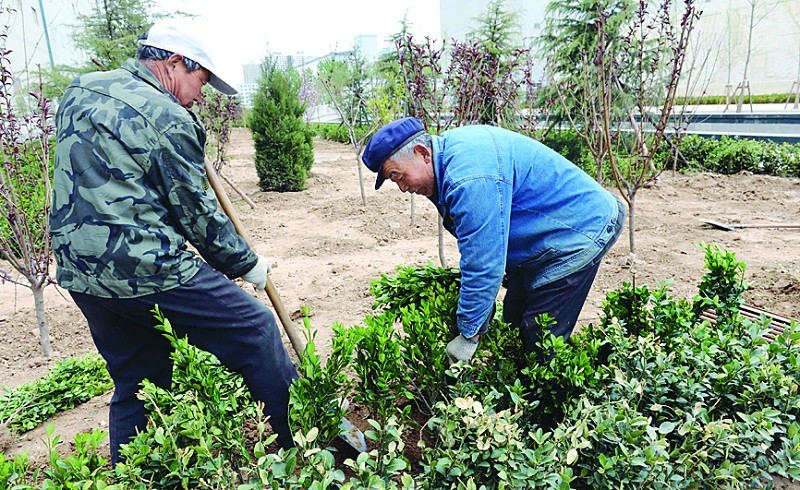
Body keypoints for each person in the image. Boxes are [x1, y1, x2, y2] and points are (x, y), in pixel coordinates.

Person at [50, 19, 297, 462]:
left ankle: (131, 476)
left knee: (138, 378)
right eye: (201, 81)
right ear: (176, 62)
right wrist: (246, 264)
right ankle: (306, 440)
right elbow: (197, 216)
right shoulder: (167, 117)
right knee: (256, 330)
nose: (201, 96)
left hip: (80, 271)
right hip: (143, 267)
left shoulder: (81, 88)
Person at [362, 117, 626, 362]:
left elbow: (483, 264)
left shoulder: (469, 178)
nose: (403, 188)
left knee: (538, 340)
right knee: (513, 323)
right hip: (549, 232)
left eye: (397, 176)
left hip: (579, 230)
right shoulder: (448, 158)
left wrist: (468, 335)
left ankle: (553, 395)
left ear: (422, 153)